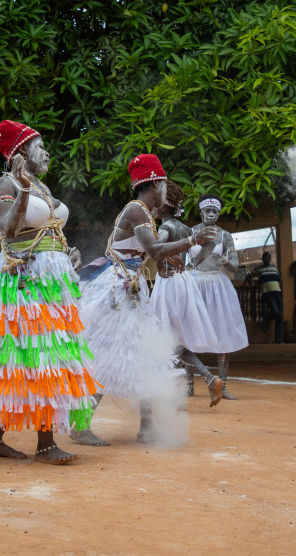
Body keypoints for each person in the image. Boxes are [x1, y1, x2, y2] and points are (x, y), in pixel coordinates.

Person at [0, 120, 98, 464]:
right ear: (21, 151)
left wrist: (66, 254)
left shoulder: (41, 186)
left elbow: (49, 230)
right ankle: (37, 443)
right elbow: (7, 226)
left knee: (44, 355)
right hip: (21, 280)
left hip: (48, 280)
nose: (46, 152)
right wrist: (25, 191)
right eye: (39, 146)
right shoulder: (6, 183)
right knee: (24, 356)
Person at [72, 155, 218, 446]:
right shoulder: (138, 210)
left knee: (148, 356)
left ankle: (148, 428)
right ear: (155, 183)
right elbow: (152, 249)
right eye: (164, 183)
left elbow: (143, 255)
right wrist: (192, 241)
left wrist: (165, 264)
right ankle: (79, 427)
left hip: (129, 289)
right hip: (117, 293)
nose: (166, 189)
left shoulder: (144, 214)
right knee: (105, 357)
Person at [150, 181, 223, 407]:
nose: (152, 207)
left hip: (168, 282)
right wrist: (193, 264)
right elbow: (208, 244)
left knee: (164, 339)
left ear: (164, 206)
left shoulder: (165, 228)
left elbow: (157, 248)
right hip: (184, 282)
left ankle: (174, 398)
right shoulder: (187, 229)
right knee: (176, 341)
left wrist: (160, 261)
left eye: (156, 203)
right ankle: (209, 378)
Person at [188, 194, 249, 400]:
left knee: (223, 334)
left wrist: (225, 261)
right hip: (194, 285)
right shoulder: (191, 233)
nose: (212, 214)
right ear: (201, 212)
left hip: (218, 287)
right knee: (188, 334)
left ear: (219, 213)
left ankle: (222, 386)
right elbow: (182, 261)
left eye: (215, 211)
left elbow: (235, 265)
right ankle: (189, 385)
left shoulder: (225, 236)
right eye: (208, 211)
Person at [246, 252, 284, 343]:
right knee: (276, 312)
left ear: (270, 259)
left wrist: (280, 283)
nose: (267, 259)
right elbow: (248, 275)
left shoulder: (274, 267)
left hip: (278, 293)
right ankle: (266, 320)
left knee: (280, 317)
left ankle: (279, 339)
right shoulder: (258, 269)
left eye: (269, 258)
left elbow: (279, 276)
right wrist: (250, 282)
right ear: (262, 259)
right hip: (268, 294)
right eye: (265, 258)